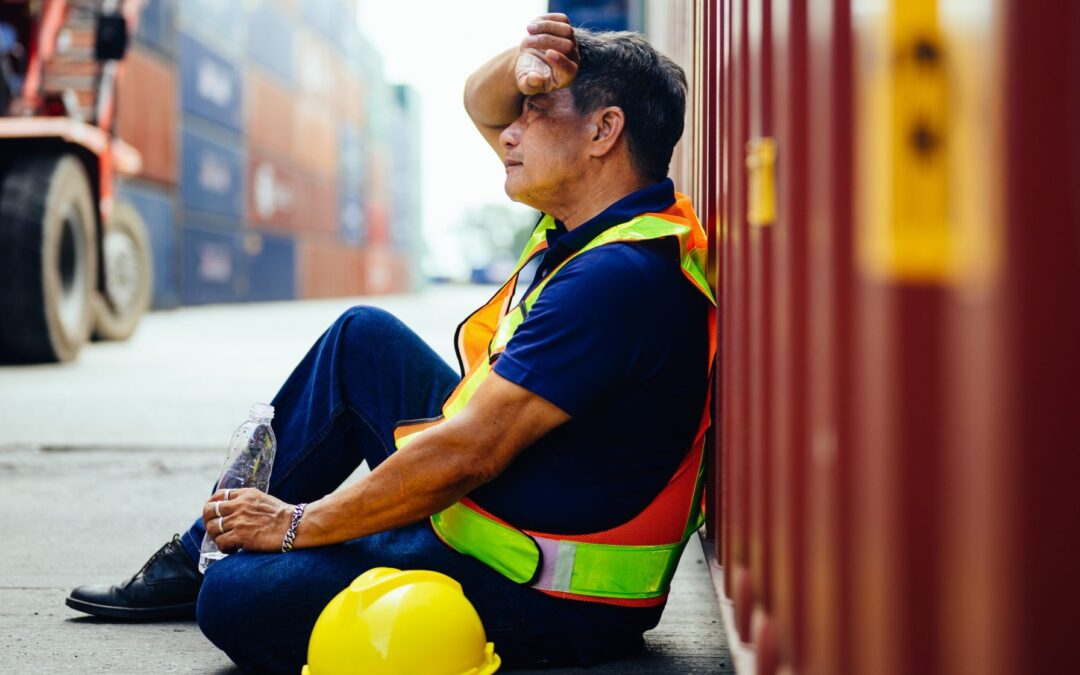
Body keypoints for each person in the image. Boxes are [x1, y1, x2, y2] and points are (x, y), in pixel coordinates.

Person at [66, 14, 714, 673]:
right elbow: (478, 102)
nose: (508, 133)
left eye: (537, 111)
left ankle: (232, 554)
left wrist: (296, 524)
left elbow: (469, 453)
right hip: (502, 510)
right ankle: (200, 550)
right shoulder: (607, 222)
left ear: (604, 132)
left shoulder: (617, 278)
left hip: (546, 589)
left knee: (235, 597)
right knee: (363, 339)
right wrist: (530, 56)